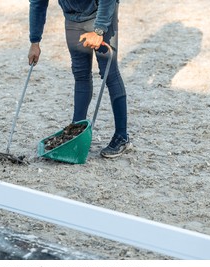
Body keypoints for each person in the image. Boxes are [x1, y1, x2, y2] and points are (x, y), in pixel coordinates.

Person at [28, 0, 132, 158]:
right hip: (72, 17)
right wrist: (35, 41)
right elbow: (37, 3)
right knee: (80, 74)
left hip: (100, 11)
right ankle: (76, 134)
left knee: (109, 73)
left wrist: (99, 30)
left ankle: (122, 137)